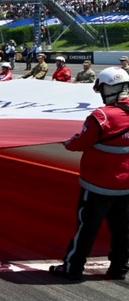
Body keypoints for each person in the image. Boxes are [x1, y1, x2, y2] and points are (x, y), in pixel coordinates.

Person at [50, 67, 129, 281]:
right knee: (123, 229)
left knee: (87, 228)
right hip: (126, 186)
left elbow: (79, 144)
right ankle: (120, 268)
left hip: (98, 184)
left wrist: (67, 142)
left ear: (107, 88)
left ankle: (72, 268)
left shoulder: (102, 115)